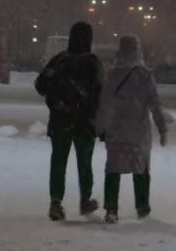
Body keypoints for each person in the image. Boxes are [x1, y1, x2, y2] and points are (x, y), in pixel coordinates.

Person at [35, 22, 104, 221]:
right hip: (85, 121)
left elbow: (41, 86)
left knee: (58, 161)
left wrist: (58, 98)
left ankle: (56, 202)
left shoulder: (59, 61)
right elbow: (101, 92)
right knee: (85, 162)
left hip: (60, 119)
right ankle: (85, 200)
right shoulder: (93, 63)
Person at [96, 35, 168, 224]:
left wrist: (101, 127)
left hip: (117, 129)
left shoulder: (112, 74)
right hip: (138, 131)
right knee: (141, 169)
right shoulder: (145, 75)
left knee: (113, 170)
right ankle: (142, 206)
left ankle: (111, 209)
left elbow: (104, 104)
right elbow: (155, 104)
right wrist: (162, 128)